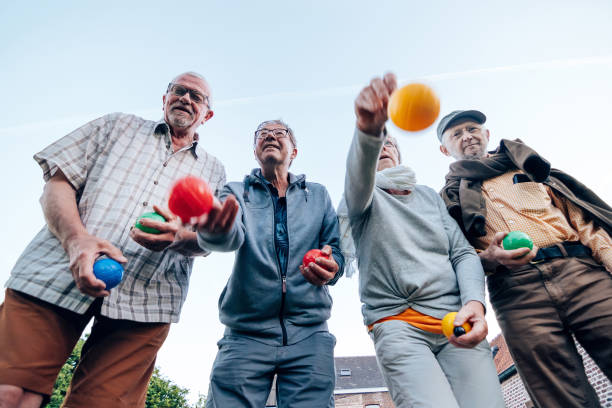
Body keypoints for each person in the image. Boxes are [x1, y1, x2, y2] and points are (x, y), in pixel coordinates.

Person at [0, 72, 227, 408]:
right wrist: (77, 241)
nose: (186, 99)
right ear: (164, 99)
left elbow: (206, 242)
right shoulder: (115, 125)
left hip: (147, 300)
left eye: (197, 97)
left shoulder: (214, 171)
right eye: (179, 91)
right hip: (55, 272)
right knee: (12, 393)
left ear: (207, 115)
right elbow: (57, 184)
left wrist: (177, 236)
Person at [340, 72, 504, 408]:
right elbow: (358, 178)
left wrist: (475, 302)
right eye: (379, 143)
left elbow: (461, 254)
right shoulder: (362, 198)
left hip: (456, 319)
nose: (384, 146)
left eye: (390, 142)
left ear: (399, 155)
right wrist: (368, 133)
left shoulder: (429, 197)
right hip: (397, 323)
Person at [439, 109, 612, 408]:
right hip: (516, 293)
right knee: (557, 395)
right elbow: (457, 257)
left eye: (472, 128)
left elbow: (583, 221)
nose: (467, 136)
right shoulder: (446, 201)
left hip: (581, 272)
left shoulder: (530, 168)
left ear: (487, 134)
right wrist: (490, 258)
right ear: (445, 149)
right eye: (456, 134)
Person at [196, 119, 344, 408]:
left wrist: (332, 266)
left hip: (310, 332)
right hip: (245, 333)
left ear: (294, 151)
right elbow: (227, 238)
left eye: (280, 133)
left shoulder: (318, 195)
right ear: (255, 152)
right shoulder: (236, 192)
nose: (270, 136)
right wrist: (214, 230)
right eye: (262, 134)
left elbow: (335, 249)